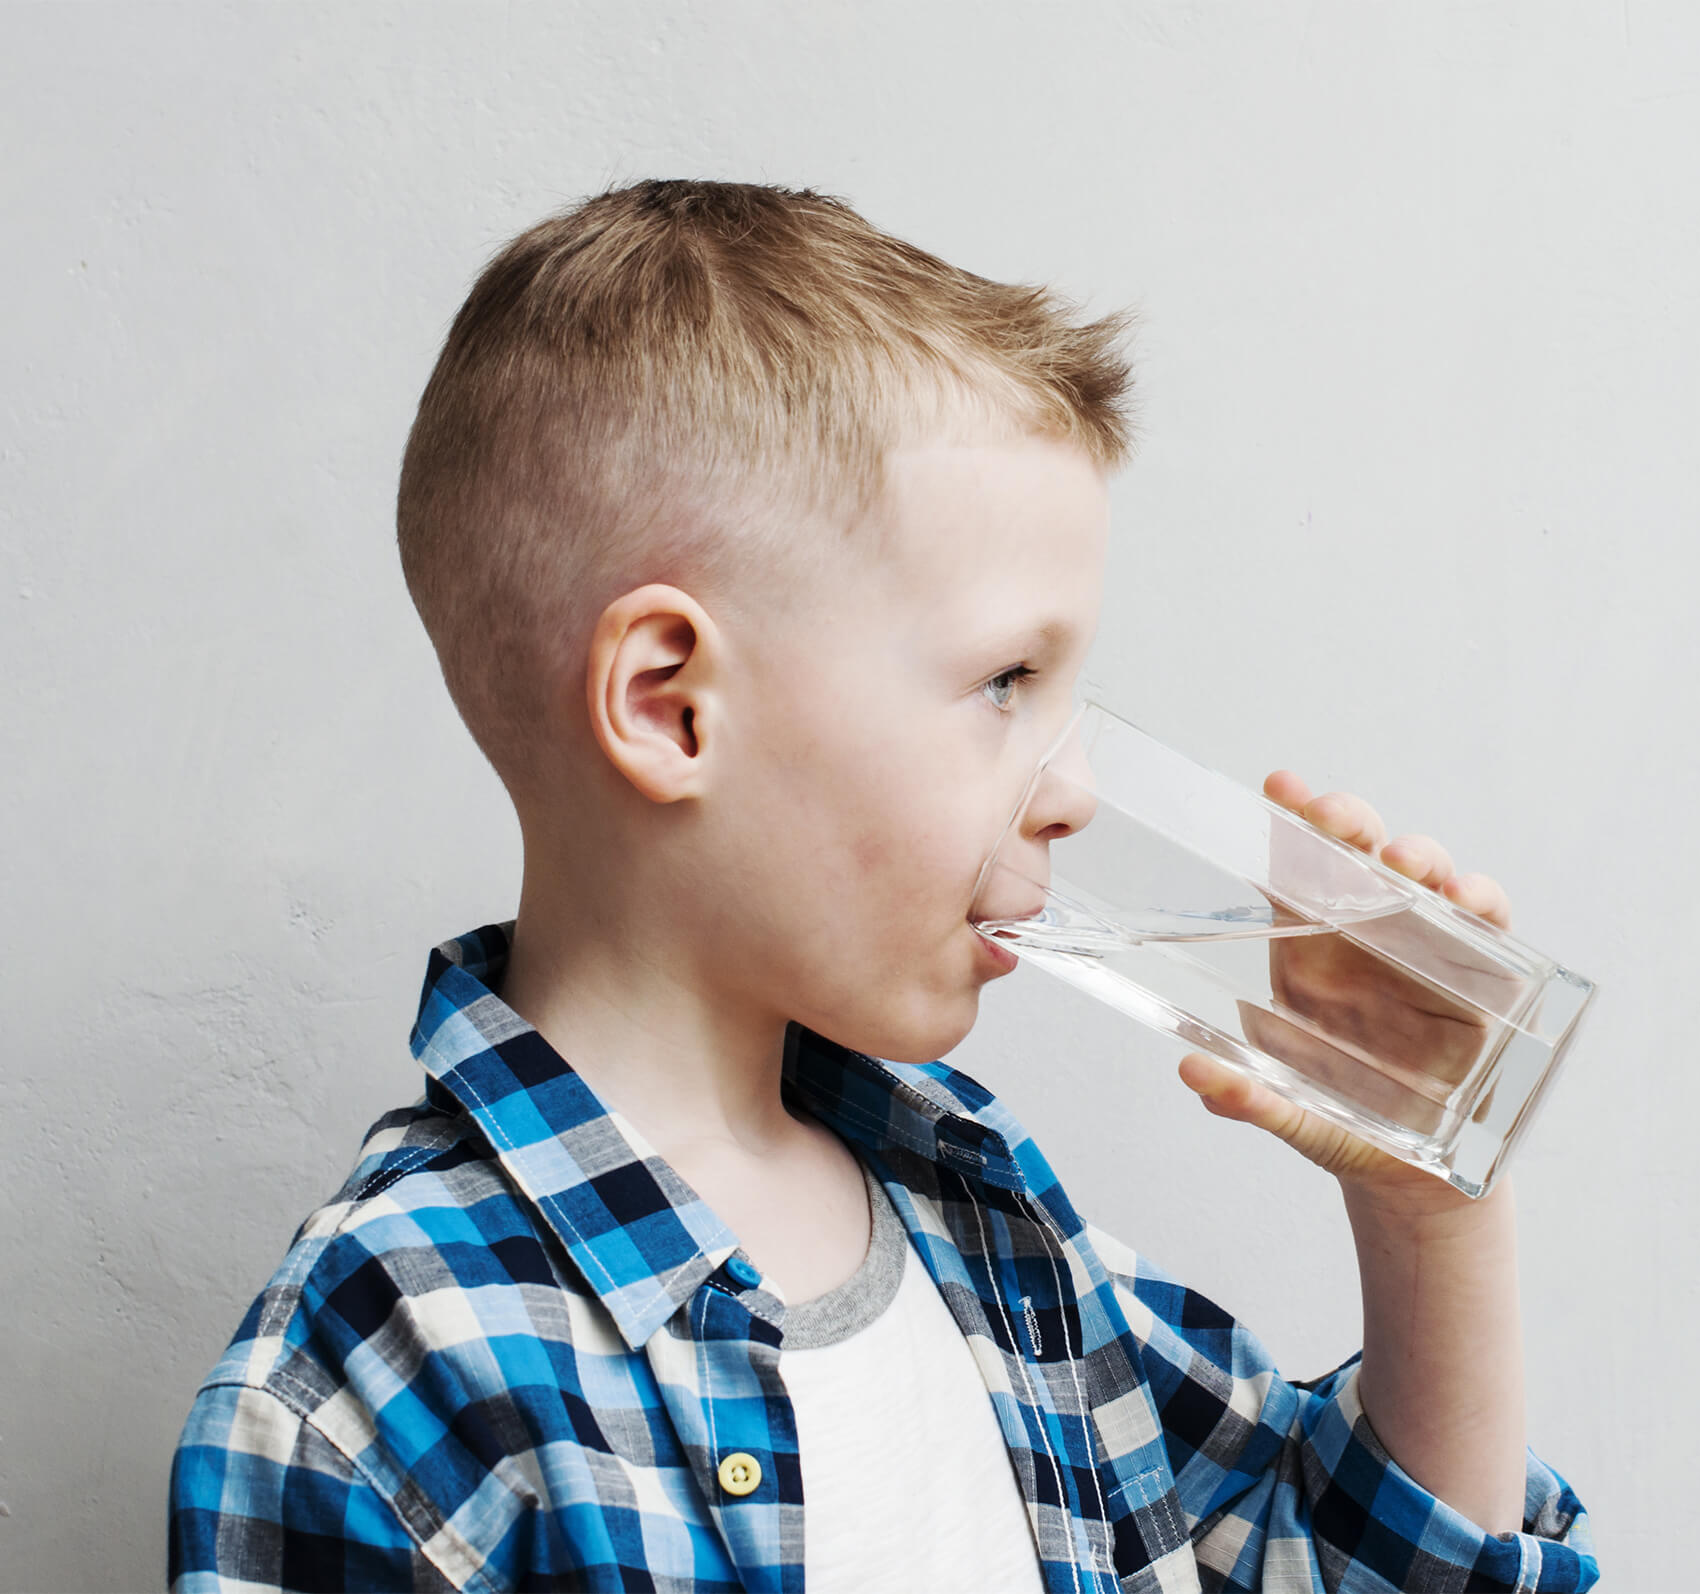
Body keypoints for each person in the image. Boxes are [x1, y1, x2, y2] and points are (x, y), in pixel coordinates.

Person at [166, 178, 1597, 1592]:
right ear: (673, 707)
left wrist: (1432, 1212)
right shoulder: (377, 1381)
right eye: (1006, 683)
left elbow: (1348, 1568)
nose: (1076, 788)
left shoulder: (980, 1214)